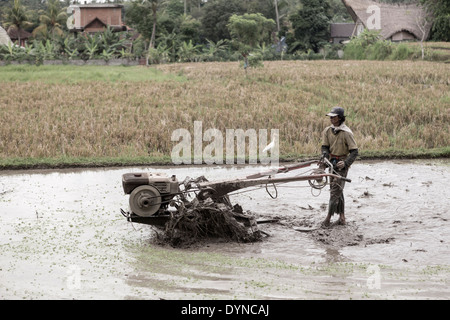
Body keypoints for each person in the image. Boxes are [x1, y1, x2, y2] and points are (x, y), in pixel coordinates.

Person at [321, 106, 358, 227]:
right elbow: (325, 147)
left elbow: (354, 151)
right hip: (331, 163)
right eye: (330, 117)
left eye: (334, 117)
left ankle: (328, 218)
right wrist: (325, 156)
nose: (331, 118)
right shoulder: (327, 130)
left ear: (340, 118)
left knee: (334, 192)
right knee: (338, 191)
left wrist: (346, 163)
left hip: (341, 165)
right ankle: (342, 218)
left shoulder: (346, 133)